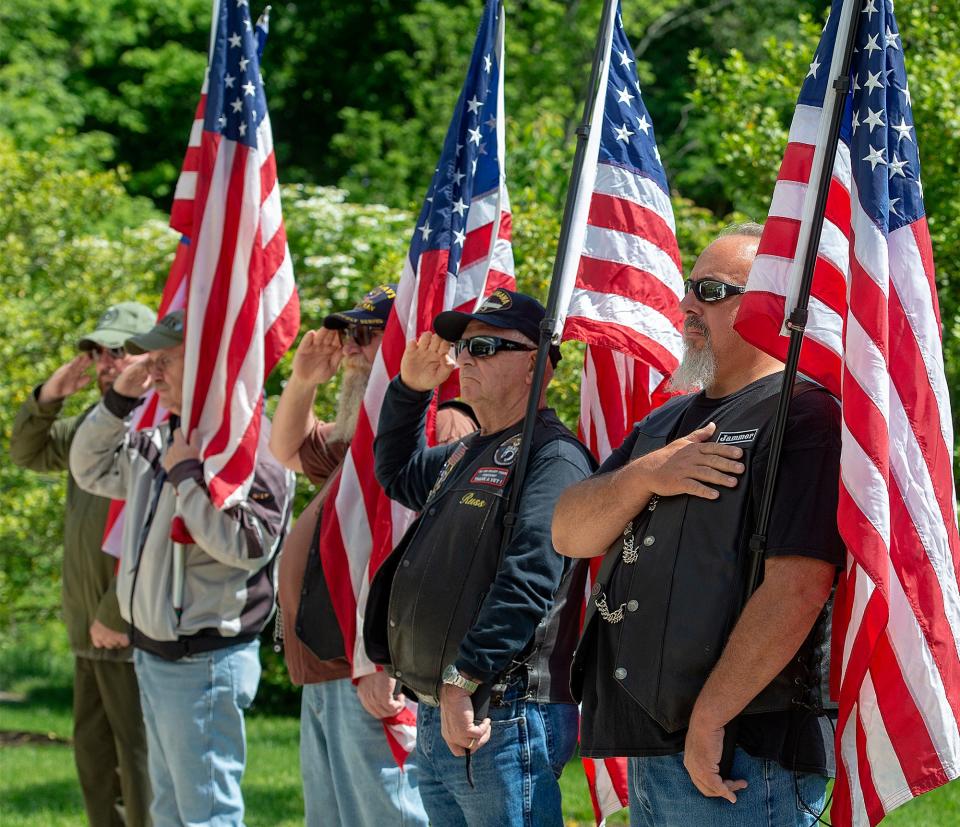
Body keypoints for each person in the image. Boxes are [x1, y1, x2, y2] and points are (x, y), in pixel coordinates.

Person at [553, 224, 843, 827]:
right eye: (690, 288)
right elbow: (569, 533)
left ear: (769, 304)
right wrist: (644, 476)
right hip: (656, 743)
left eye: (711, 290)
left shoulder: (805, 414)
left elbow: (798, 587)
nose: (686, 305)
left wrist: (711, 719)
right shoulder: (665, 424)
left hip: (742, 754)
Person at [364, 288, 595, 826]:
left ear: (538, 364)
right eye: (464, 347)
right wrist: (409, 390)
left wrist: (465, 677)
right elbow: (395, 472)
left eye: (486, 346)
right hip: (445, 699)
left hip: (501, 706)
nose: (465, 358)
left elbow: (529, 578)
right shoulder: (471, 449)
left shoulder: (553, 458)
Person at [68, 309, 296, 827]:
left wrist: (189, 478)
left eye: (166, 359)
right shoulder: (164, 436)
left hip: (203, 660)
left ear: (207, 366)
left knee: (205, 815)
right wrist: (121, 398)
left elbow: (249, 542)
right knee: (170, 811)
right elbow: (89, 467)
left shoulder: (249, 447)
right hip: (155, 655)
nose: (153, 369)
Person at [270, 284, 476, 826]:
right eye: (349, 334)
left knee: (386, 814)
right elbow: (286, 448)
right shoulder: (365, 428)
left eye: (367, 334)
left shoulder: (439, 423)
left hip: (374, 665)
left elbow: (424, 554)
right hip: (333, 662)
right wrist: (302, 380)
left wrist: (381, 658)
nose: (353, 349)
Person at [10, 302, 154, 827]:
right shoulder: (88, 428)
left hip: (130, 628)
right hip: (87, 630)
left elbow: (155, 532)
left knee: (139, 766)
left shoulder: (159, 424)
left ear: (145, 354)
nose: (104, 363)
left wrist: (116, 612)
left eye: (116, 351)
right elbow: (27, 452)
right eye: (97, 353)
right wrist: (49, 397)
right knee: (94, 763)